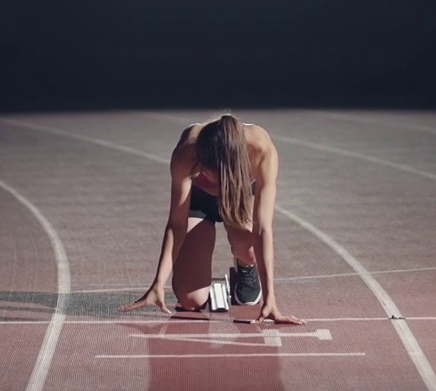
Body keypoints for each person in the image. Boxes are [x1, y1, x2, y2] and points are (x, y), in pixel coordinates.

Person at [121, 113, 303, 325]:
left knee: (249, 248)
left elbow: (262, 228)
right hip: (198, 201)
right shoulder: (186, 152)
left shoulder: (261, 150)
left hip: (239, 196)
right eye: (204, 174)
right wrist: (158, 283)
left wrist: (271, 300)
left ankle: (245, 266)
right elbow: (176, 223)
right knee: (192, 301)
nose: (208, 179)